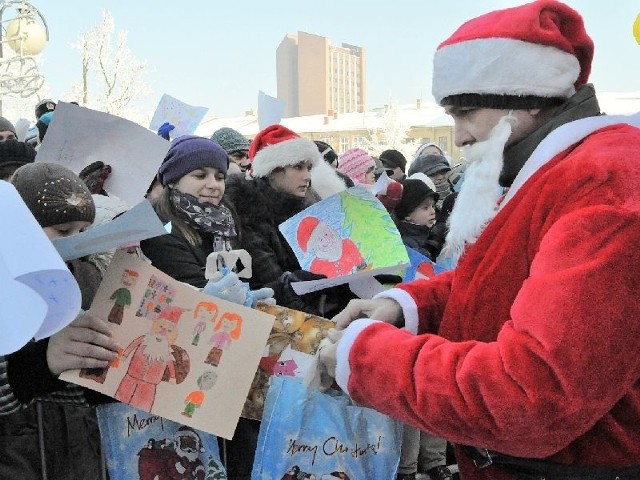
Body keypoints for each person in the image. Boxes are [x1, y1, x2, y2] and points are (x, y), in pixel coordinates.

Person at [319, 2, 640, 479]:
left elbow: (533, 396)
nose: (460, 137)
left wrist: (363, 356)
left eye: (466, 112)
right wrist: (405, 307)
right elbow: (497, 283)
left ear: (530, 96)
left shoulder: (603, 183)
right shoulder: (560, 172)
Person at [139, 135, 271, 479]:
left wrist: (253, 297)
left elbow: (245, 274)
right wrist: (212, 296)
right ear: (173, 179)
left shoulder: (226, 221)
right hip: (186, 362)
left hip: (231, 352)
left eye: (220, 175)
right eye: (200, 175)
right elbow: (186, 288)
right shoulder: (160, 229)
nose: (213, 185)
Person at [1, 162, 121, 479]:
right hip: (19, 455)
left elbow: (84, 388)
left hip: (80, 452)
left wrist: (104, 371)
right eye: (64, 232)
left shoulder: (87, 275)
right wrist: (40, 364)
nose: (75, 243)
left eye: (83, 232)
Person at [225, 124, 350, 316]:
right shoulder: (246, 212)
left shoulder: (307, 207)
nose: (307, 176)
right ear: (272, 170)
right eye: (298, 167)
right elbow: (271, 287)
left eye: (309, 168)